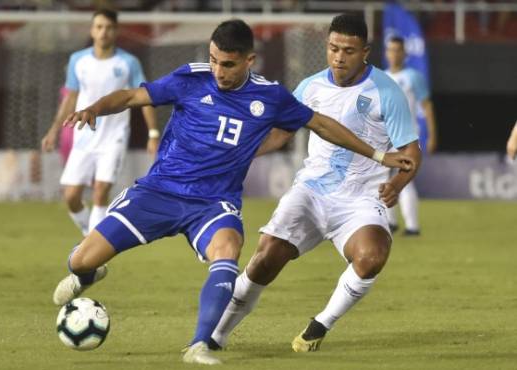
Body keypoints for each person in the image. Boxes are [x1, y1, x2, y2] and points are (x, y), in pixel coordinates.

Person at [51, 19, 413, 365]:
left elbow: (321, 124)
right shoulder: (191, 79)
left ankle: (200, 344)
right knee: (81, 259)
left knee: (229, 250)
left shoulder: (270, 97)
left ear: (248, 61)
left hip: (214, 203)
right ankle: (87, 274)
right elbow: (133, 96)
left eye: (227, 64)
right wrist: (94, 108)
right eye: (213, 60)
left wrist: (380, 154)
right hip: (159, 191)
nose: (218, 71)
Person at [210, 14, 421, 353]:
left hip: (360, 199)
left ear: (365, 51)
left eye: (348, 51)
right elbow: (280, 133)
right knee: (265, 259)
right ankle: (215, 336)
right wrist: (240, 154)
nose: (339, 57)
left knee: (372, 255)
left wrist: (397, 184)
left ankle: (320, 324)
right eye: (333, 48)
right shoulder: (309, 87)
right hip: (311, 192)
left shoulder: (386, 91)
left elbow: (412, 152)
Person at [41, 9, 159, 236]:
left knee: (101, 190)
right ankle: (91, 236)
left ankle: (93, 250)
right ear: (92, 30)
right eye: (99, 27)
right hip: (84, 137)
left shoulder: (128, 62)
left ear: (116, 31)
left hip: (114, 136)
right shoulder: (78, 60)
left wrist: (153, 133)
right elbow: (71, 97)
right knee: (72, 197)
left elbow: (144, 97)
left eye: (109, 27)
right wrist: (54, 130)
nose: (104, 32)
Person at [384, 36, 437, 236]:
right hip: (384, 136)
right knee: (383, 177)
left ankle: (412, 226)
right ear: (386, 53)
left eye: (398, 50)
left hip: (406, 137)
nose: (394, 53)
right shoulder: (382, 77)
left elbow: (427, 106)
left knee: (405, 178)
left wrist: (432, 135)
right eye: (391, 49)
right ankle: (390, 221)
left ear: (405, 53)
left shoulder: (413, 76)